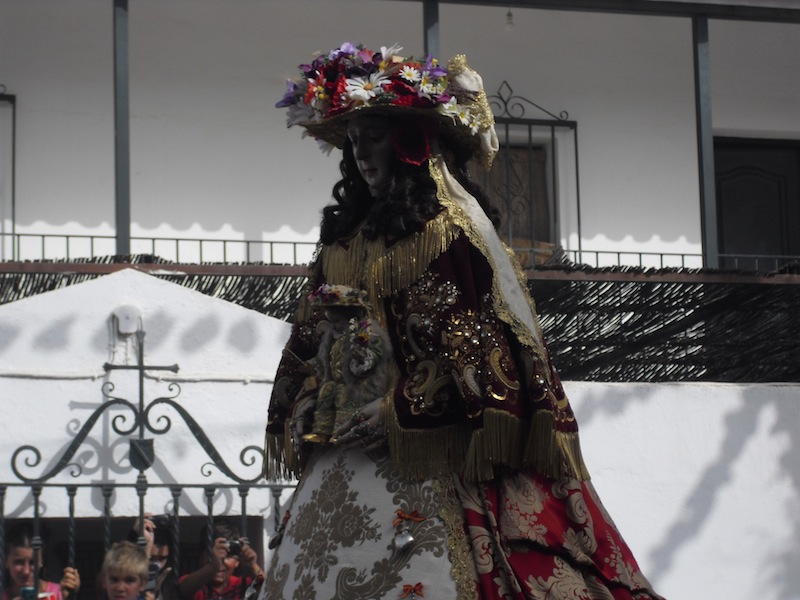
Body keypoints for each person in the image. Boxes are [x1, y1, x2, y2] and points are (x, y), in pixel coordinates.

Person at [263, 42, 665, 599]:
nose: (361, 153)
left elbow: (482, 352)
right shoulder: (338, 246)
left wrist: (396, 410)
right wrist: (313, 400)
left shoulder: (447, 236)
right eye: (353, 141)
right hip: (338, 459)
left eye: (373, 136)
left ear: (409, 142)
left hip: (428, 459)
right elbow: (310, 343)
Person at [178, 521, 262, 600]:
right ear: (201, 557)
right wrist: (212, 566)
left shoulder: (242, 584)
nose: (221, 562)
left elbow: (265, 588)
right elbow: (183, 590)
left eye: (228, 556)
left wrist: (253, 565)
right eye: (213, 555)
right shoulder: (195, 584)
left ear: (237, 561)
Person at [3, 522, 80, 600]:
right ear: (6, 561)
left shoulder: (59, 593)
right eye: (19, 562)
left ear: (42, 561)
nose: (26, 571)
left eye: (33, 563)